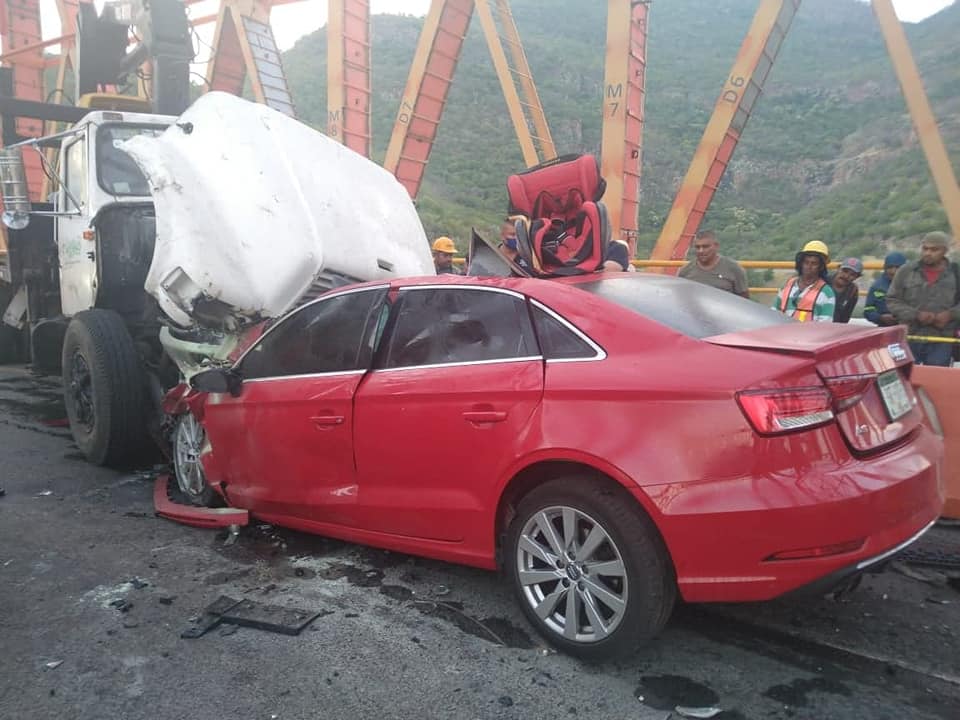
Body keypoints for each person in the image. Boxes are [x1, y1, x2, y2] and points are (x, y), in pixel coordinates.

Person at [886, 231, 959, 367]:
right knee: (906, 381)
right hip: (909, 337)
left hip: (942, 339)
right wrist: (916, 315)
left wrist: (950, 314)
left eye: (934, 249)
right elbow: (892, 300)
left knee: (935, 383)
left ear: (945, 250)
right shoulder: (906, 271)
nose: (928, 253)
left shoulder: (956, 273)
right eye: (925, 248)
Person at [773, 240, 836, 322]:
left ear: (821, 267)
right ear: (801, 263)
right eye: (806, 262)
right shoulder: (788, 285)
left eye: (814, 263)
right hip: (783, 332)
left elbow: (825, 325)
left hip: (809, 334)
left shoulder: (827, 293)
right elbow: (774, 312)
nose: (809, 266)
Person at [678, 229, 749, 297]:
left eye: (705, 247)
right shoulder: (685, 271)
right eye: (697, 247)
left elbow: (744, 300)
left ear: (716, 246)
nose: (701, 251)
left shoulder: (734, 269)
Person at [864, 251, 907, 326]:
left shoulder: (914, 285)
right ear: (885, 268)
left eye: (897, 267)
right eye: (890, 267)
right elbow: (868, 311)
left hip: (909, 329)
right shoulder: (876, 287)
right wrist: (880, 318)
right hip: (885, 329)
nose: (893, 271)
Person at [828, 257, 863, 323]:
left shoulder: (853, 290)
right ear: (838, 269)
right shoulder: (823, 282)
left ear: (856, 277)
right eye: (845, 271)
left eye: (852, 274)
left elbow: (846, 317)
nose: (846, 276)